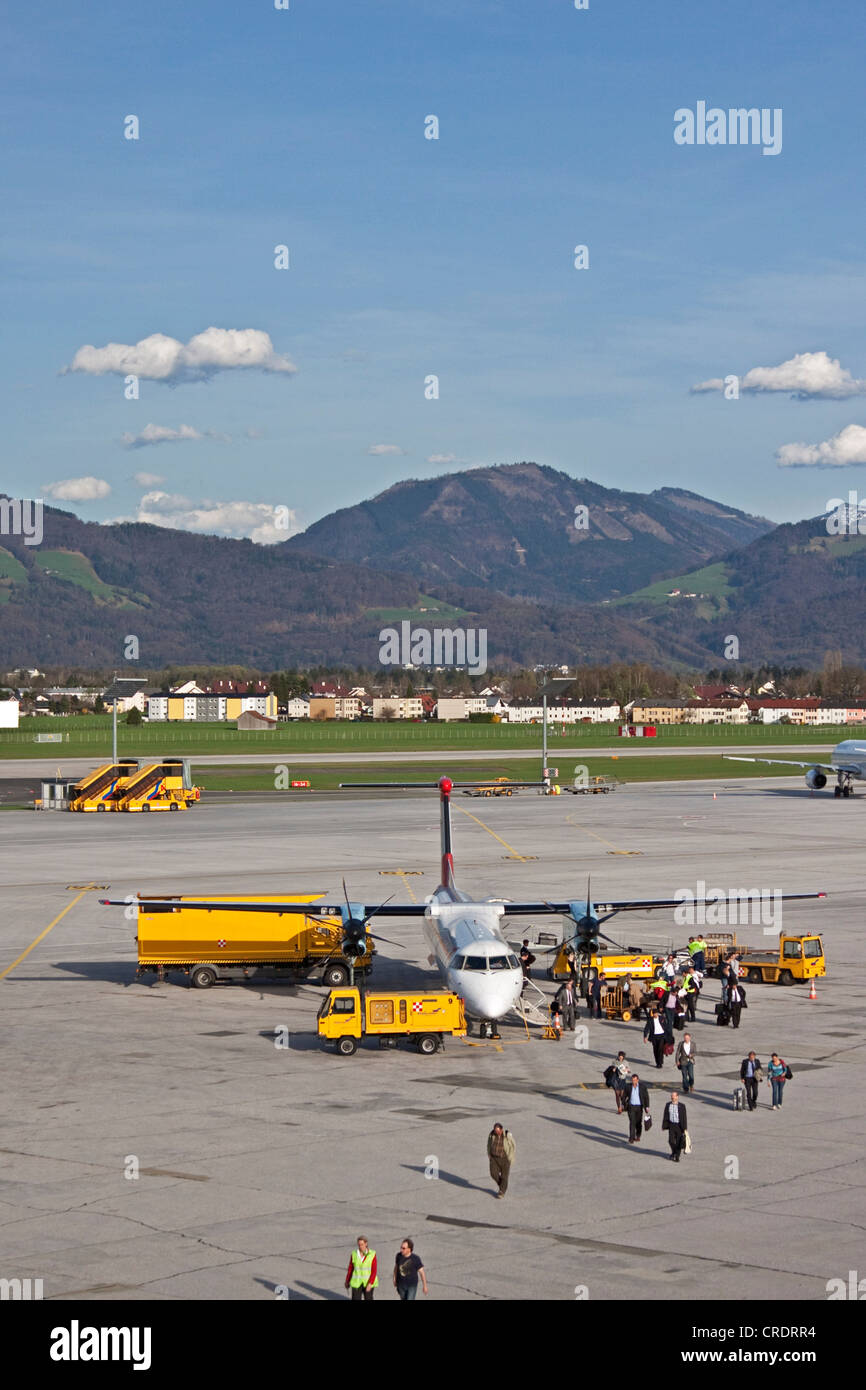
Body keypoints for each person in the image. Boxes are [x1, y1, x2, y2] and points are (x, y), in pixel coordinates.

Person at [487, 1122, 515, 1197]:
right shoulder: (492, 1134)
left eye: (498, 1131)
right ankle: (502, 1184)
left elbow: (513, 1146)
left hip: (505, 1159)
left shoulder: (507, 1135)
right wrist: (489, 1154)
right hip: (494, 1158)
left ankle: (501, 1192)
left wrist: (510, 1157)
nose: (497, 1132)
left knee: (504, 1176)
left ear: (501, 1129)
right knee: (493, 1173)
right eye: (495, 1131)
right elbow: (489, 1144)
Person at [662, 1091, 688, 1162]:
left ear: (677, 1097)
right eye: (671, 1096)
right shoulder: (668, 1105)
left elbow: (684, 1117)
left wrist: (685, 1128)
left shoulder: (682, 1106)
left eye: (674, 1096)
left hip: (679, 1126)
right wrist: (664, 1126)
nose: (672, 1097)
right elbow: (665, 1115)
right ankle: (674, 1152)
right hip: (671, 1125)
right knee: (671, 1141)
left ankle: (677, 1156)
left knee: (679, 1142)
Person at [626, 1073, 650, 1144]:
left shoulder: (642, 1087)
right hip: (631, 1107)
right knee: (632, 1122)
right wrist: (623, 1103)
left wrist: (647, 1106)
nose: (634, 1082)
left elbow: (646, 1097)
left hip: (639, 1107)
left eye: (635, 1080)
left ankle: (638, 1135)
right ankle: (631, 1138)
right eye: (632, 1080)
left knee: (638, 1123)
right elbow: (624, 1095)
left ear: (638, 1080)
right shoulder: (628, 1087)